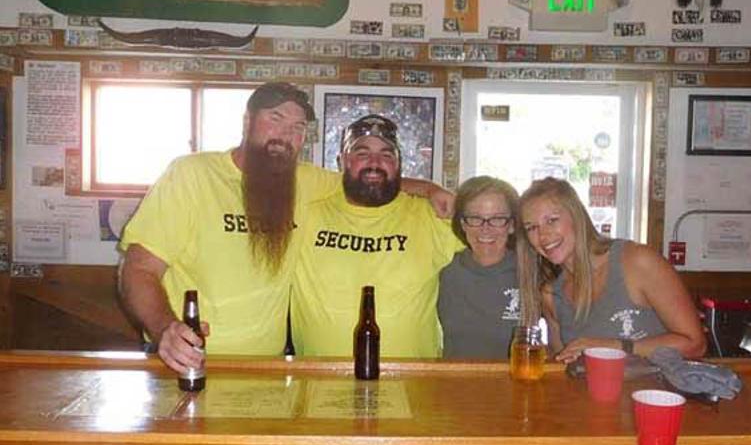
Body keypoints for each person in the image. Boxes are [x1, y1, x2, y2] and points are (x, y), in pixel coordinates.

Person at [119, 85, 452, 374]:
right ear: (247, 121)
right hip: (184, 359)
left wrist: (430, 189)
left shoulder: (306, 181)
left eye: (297, 127)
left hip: (267, 370)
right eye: (275, 118)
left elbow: (366, 178)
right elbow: (138, 269)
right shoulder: (191, 174)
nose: (285, 134)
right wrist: (164, 329)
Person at [290, 114, 464, 358]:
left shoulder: (433, 215)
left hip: (415, 376)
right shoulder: (305, 213)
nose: (375, 163)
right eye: (362, 153)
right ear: (342, 162)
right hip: (320, 374)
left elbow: (499, 235)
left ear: (399, 165)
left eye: (387, 155)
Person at [517, 177, 705, 363]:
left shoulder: (638, 262)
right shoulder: (551, 295)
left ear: (577, 216)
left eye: (552, 220)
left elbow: (695, 345)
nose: (543, 235)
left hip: (655, 383)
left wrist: (614, 347)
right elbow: (562, 367)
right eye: (532, 228)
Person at [437, 176, 520, 359]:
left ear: (512, 225)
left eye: (497, 219)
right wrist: (429, 189)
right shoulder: (445, 269)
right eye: (475, 218)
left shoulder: (531, 272)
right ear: (462, 223)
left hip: (517, 378)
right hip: (454, 376)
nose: (485, 229)